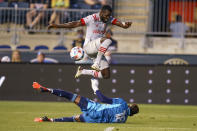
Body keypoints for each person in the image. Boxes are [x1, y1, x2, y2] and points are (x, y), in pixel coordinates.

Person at [48, 5, 132, 79]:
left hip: (97, 50)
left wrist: (125, 26)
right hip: (89, 47)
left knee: (106, 75)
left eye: (109, 16)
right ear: (101, 12)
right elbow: (75, 24)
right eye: (106, 16)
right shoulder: (92, 18)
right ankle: (96, 63)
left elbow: (120, 24)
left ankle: (83, 71)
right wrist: (57, 26)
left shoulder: (108, 18)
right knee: (107, 39)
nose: (107, 18)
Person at [33, 78, 139, 123]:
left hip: (94, 108)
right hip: (93, 119)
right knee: (73, 119)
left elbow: (103, 99)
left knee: (70, 96)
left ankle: (46, 89)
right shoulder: (123, 120)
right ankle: (50, 120)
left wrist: (95, 87)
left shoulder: (122, 103)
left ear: (129, 106)